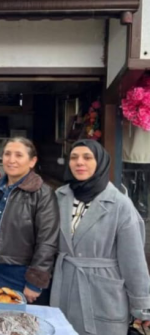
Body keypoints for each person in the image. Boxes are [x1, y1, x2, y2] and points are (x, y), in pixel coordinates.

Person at [51, 140, 150, 335]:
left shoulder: (120, 205)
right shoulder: (59, 197)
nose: (80, 162)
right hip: (64, 286)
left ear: (101, 163)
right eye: (74, 157)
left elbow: (134, 261)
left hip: (103, 292)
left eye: (87, 157)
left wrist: (142, 307)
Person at [0, 138, 58, 305]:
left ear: (32, 161)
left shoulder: (43, 194)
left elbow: (47, 241)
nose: (11, 160)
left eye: (19, 155)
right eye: (7, 154)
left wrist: (35, 281)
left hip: (22, 276)